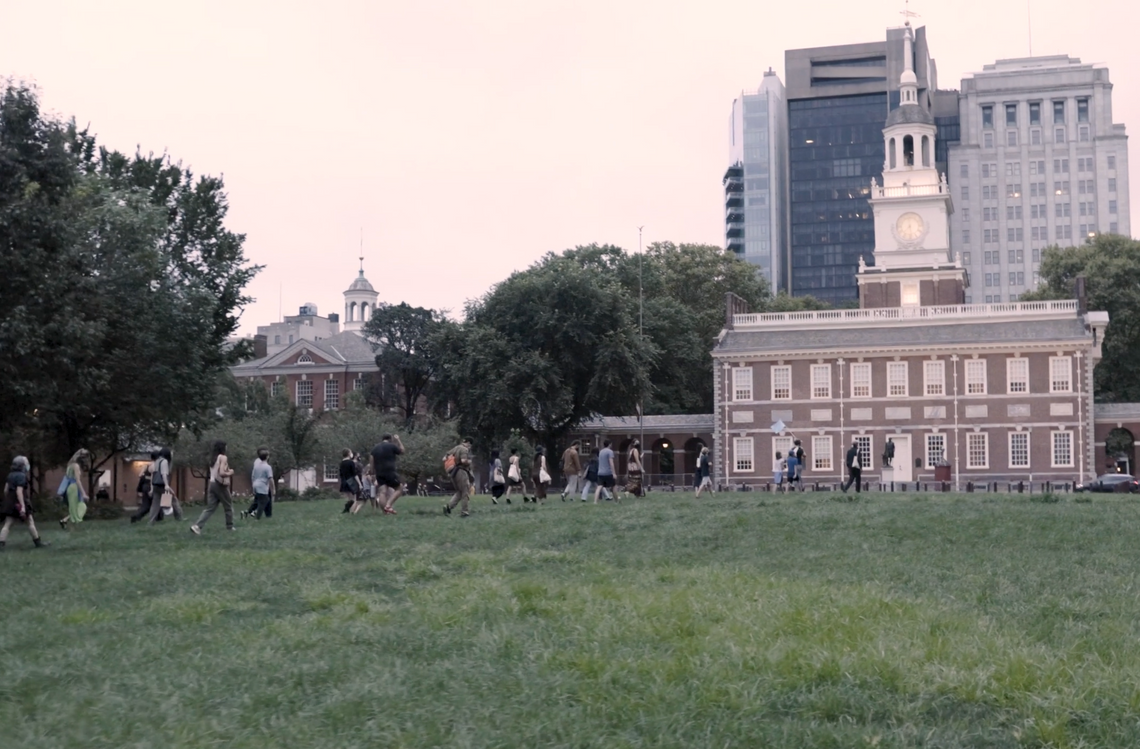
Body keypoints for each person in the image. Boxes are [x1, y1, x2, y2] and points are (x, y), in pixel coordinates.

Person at [1, 456, 47, 549]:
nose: (27, 465)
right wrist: (22, 506)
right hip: (20, 501)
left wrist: (9, 500)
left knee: (7, 524)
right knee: (30, 522)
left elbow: (6, 490)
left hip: (11, 502)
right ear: (22, 465)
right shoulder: (22, 476)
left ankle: (1, 543)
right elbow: (19, 491)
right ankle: (37, 542)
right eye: (26, 463)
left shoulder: (10, 475)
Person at [190, 441, 235, 534]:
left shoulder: (213, 458)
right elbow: (222, 473)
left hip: (212, 484)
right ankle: (230, 527)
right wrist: (230, 472)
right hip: (220, 485)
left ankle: (197, 526)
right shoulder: (223, 457)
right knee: (228, 506)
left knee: (210, 508)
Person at [371, 434, 405, 514]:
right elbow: (402, 451)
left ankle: (385, 512)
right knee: (399, 488)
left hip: (379, 472)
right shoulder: (391, 446)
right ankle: (388, 505)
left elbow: (371, 460)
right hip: (389, 471)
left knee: (382, 492)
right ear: (390, 439)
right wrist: (398, 440)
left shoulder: (375, 448)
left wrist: (373, 473)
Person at [148, 447, 182, 524]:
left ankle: (151, 521)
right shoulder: (164, 461)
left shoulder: (157, 461)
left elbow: (154, 474)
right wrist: (166, 485)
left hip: (155, 485)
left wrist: (152, 487)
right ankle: (179, 517)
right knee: (174, 500)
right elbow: (164, 474)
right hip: (162, 485)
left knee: (155, 504)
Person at [443, 437, 474, 517]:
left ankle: (448, 507)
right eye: (470, 445)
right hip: (461, 472)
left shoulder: (456, 448)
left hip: (453, 472)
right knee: (465, 491)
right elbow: (463, 461)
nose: (470, 447)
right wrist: (469, 462)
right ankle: (464, 511)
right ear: (468, 443)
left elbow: (444, 458)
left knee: (459, 492)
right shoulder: (464, 449)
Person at [59, 449, 89, 529]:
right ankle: (72, 526)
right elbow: (78, 481)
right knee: (80, 507)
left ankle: (65, 521)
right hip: (74, 487)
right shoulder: (76, 466)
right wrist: (83, 493)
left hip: (70, 487)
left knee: (74, 507)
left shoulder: (70, 465)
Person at [130, 451, 159, 524]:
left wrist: (145, 478)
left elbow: (140, 475)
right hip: (152, 486)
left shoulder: (147, 465)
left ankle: (136, 516)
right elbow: (153, 478)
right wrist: (151, 488)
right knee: (156, 503)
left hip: (145, 486)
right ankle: (158, 518)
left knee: (146, 504)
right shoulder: (156, 466)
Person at [248, 448, 275, 519]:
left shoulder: (256, 466)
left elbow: (253, 476)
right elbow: (270, 478)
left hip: (255, 484)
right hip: (262, 486)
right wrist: (273, 489)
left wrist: (253, 486)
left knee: (260, 500)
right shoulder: (268, 467)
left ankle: (249, 512)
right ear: (267, 457)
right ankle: (257, 516)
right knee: (264, 501)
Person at [593, 439, 618, 504]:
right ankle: (616, 501)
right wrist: (614, 473)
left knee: (599, 487)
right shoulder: (610, 452)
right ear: (609, 444)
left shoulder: (601, 452)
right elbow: (611, 462)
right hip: (608, 472)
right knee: (613, 487)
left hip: (600, 472)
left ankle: (595, 501)